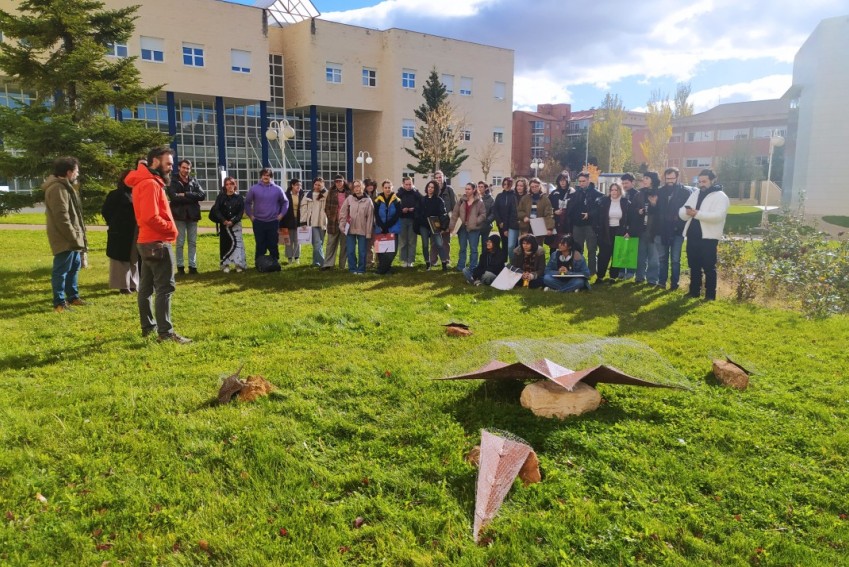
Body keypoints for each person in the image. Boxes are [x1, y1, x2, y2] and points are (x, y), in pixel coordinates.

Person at [125, 146, 191, 343]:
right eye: (168, 163)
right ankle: (165, 333)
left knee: (146, 287)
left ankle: (149, 327)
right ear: (155, 161)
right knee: (165, 287)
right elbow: (150, 216)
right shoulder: (150, 184)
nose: (171, 167)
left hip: (147, 241)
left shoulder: (146, 181)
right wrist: (171, 229)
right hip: (156, 242)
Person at [44, 156, 87, 312]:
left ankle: (73, 297)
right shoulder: (58, 188)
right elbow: (61, 217)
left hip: (72, 237)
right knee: (61, 271)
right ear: (68, 172)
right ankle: (59, 303)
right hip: (65, 238)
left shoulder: (66, 186)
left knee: (73, 268)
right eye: (76, 171)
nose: (77, 173)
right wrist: (73, 236)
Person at [680, 169, 730, 300]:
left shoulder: (721, 196)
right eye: (699, 181)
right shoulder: (696, 193)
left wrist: (697, 214)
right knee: (694, 265)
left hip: (708, 237)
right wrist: (686, 213)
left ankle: (710, 295)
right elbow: (683, 209)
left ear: (713, 180)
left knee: (709, 267)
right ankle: (694, 291)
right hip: (692, 235)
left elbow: (719, 216)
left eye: (704, 181)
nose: (701, 184)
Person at [102, 164, 141, 294]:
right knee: (120, 260)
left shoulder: (136, 193)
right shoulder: (115, 195)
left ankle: (134, 284)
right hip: (120, 232)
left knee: (134, 258)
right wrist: (114, 224)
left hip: (134, 230)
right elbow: (106, 211)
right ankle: (123, 286)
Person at [654, 167, 693, 290]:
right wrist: (653, 204)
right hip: (662, 230)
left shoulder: (685, 192)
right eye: (667, 178)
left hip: (677, 231)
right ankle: (661, 282)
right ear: (664, 178)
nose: (670, 180)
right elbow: (655, 211)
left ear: (677, 177)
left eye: (672, 178)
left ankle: (674, 284)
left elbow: (687, 212)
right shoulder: (659, 192)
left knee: (675, 259)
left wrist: (678, 221)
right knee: (662, 258)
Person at [167, 159, 205, 275]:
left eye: (188, 168)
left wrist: (185, 194)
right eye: (184, 167)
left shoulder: (193, 180)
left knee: (192, 242)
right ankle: (180, 267)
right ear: (179, 168)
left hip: (192, 215)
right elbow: (173, 197)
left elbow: (202, 195)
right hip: (179, 215)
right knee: (180, 242)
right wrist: (192, 197)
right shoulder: (172, 181)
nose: (186, 170)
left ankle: (193, 267)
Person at [245, 168, 289, 268]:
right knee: (260, 244)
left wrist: (281, 215)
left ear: (271, 177)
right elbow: (247, 203)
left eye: (268, 175)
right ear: (261, 176)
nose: (266, 177)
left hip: (273, 221)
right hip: (258, 222)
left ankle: (275, 262)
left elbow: (285, 202)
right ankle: (259, 263)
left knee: (273, 243)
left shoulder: (277, 189)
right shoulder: (254, 189)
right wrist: (251, 216)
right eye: (264, 175)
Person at [595, 182, 635, 283]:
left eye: (616, 190)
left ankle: (613, 277)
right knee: (603, 255)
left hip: (619, 231)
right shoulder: (604, 201)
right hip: (606, 231)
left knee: (617, 254)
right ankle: (600, 276)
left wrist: (628, 231)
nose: (613, 192)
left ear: (619, 191)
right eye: (612, 190)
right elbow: (599, 217)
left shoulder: (626, 202)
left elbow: (630, 219)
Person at [208, 176, 247, 273]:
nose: (229, 186)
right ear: (225, 186)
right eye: (227, 184)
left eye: (231, 184)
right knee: (225, 244)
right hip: (224, 224)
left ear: (235, 185)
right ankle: (225, 264)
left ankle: (238, 264)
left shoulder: (239, 198)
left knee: (237, 244)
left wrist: (233, 221)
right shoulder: (220, 197)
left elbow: (240, 212)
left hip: (236, 225)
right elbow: (216, 210)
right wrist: (223, 220)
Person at [339, 179, 375, 274]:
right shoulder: (349, 199)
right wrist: (342, 225)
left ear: (362, 187)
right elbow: (343, 212)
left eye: (358, 186)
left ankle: (361, 269)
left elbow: (370, 218)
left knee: (362, 251)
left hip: (362, 229)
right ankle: (352, 268)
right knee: (350, 250)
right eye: (355, 186)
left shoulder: (368, 201)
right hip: (350, 229)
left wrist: (368, 232)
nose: (357, 188)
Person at [570, 172, 602, 276]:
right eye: (580, 181)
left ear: (588, 180)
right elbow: (571, 209)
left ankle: (592, 271)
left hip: (590, 225)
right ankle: (579, 269)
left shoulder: (597, 194)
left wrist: (589, 214)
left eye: (583, 181)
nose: (581, 183)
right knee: (578, 249)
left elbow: (599, 209)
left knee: (592, 249)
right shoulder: (575, 194)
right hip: (577, 225)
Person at [449, 182, 486, 272]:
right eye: (466, 189)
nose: (466, 190)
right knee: (462, 248)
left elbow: (483, 214)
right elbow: (455, 214)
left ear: (474, 190)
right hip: (462, 228)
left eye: (469, 189)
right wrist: (452, 226)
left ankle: (473, 267)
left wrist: (476, 222)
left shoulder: (479, 202)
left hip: (474, 229)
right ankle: (461, 266)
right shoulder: (461, 201)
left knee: (473, 249)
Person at [416, 180, 450, 271]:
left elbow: (443, 214)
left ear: (435, 189)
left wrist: (443, 227)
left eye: (432, 187)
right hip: (424, 225)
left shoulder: (439, 200)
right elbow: (418, 212)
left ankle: (444, 263)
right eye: (429, 187)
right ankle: (427, 263)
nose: (430, 189)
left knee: (439, 244)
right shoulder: (422, 199)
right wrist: (422, 220)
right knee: (425, 245)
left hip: (435, 225)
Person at [635, 171, 660, 284]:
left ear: (653, 180)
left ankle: (652, 279)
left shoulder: (659, 193)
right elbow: (632, 209)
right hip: (641, 230)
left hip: (654, 230)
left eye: (647, 178)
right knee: (640, 257)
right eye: (643, 178)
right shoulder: (639, 194)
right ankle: (639, 277)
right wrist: (638, 211)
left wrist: (654, 204)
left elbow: (662, 213)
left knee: (654, 258)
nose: (644, 180)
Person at [373, 179, 402, 274]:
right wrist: (382, 226)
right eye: (385, 188)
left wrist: (388, 226)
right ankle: (386, 268)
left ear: (392, 188)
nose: (387, 189)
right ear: (382, 188)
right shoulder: (377, 200)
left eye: (389, 187)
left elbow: (397, 215)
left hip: (392, 228)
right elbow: (376, 214)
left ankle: (382, 270)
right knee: (381, 251)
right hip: (380, 228)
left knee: (392, 250)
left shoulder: (397, 200)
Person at [429, 170, 456, 267]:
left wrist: (452, 221)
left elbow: (454, 206)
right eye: (436, 178)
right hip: (434, 219)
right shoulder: (432, 189)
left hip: (446, 219)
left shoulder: (449, 190)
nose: (438, 179)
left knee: (445, 242)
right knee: (433, 241)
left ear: (444, 178)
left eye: (440, 177)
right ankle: (433, 261)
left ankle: (446, 260)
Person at [322, 174, 350, 270]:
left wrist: (348, 219)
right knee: (331, 244)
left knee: (344, 244)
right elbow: (327, 207)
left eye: (340, 181)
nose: (338, 183)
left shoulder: (349, 193)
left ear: (343, 182)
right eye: (336, 181)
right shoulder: (331, 193)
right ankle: (328, 264)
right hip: (333, 222)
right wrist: (331, 217)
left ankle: (342, 265)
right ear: (334, 183)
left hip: (346, 222)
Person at [300, 177, 328, 266]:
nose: (317, 186)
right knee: (317, 243)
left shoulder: (326, 194)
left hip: (323, 222)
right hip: (312, 222)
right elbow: (303, 209)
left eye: (319, 184)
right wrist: (303, 221)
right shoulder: (308, 195)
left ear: (323, 185)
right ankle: (324, 263)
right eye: (315, 184)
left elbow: (329, 198)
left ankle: (315, 262)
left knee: (320, 244)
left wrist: (323, 190)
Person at [517, 177, 554, 244]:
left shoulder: (545, 199)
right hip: (526, 227)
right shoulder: (525, 198)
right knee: (525, 246)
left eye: (536, 186)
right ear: (530, 188)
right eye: (532, 187)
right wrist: (524, 217)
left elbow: (548, 214)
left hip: (539, 227)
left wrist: (549, 228)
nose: (534, 188)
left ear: (540, 186)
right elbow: (519, 211)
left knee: (537, 247)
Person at [280, 178, 308, 264]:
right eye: (297, 185)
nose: (299, 187)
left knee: (298, 239)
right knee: (288, 240)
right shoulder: (285, 195)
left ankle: (296, 257)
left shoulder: (303, 195)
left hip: (299, 220)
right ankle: (289, 258)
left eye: (300, 185)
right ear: (292, 185)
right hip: (287, 220)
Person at [397, 176, 421, 267]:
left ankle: (410, 260)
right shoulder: (399, 194)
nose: (408, 186)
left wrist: (414, 209)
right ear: (403, 184)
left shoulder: (416, 193)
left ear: (412, 184)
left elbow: (420, 203)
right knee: (403, 241)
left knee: (412, 241)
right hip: (402, 219)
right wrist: (402, 210)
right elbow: (396, 206)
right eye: (406, 184)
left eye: (410, 184)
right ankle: (404, 260)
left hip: (413, 219)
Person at [493, 177, 519, 255]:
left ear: (511, 185)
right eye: (504, 184)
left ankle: (514, 262)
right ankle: (504, 263)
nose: (506, 186)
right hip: (501, 224)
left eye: (508, 184)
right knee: (504, 244)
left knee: (513, 244)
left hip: (511, 223)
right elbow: (495, 209)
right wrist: (500, 221)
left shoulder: (514, 196)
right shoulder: (499, 196)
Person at [549, 172, 574, 250]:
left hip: (568, 222)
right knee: (554, 245)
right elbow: (548, 208)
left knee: (567, 243)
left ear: (568, 181)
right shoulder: (553, 194)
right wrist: (554, 211)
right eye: (560, 180)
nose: (562, 182)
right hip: (556, 222)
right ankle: (553, 261)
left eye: (564, 180)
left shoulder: (573, 193)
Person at [363, 178, 378, 268]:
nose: (370, 187)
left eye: (372, 185)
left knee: (377, 243)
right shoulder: (363, 196)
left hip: (376, 223)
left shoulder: (378, 196)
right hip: (366, 223)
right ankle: (369, 262)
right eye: (368, 185)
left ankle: (378, 262)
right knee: (368, 244)